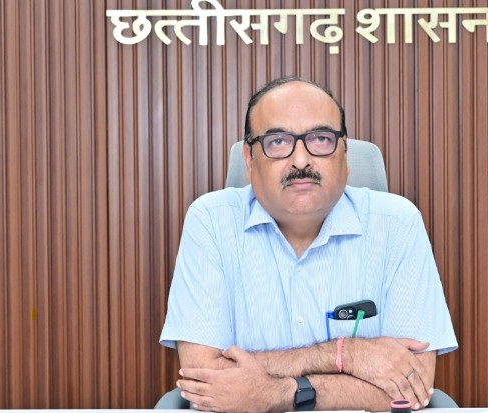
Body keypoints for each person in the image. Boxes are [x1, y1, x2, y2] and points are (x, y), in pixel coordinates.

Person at [160, 76, 458, 413]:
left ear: (344, 153)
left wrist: (276, 393)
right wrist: (345, 354)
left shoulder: (397, 224)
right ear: (250, 158)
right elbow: (205, 380)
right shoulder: (211, 221)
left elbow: (412, 387)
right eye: (277, 141)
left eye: (320, 139)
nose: (301, 161)